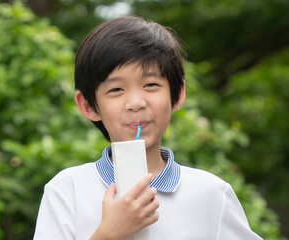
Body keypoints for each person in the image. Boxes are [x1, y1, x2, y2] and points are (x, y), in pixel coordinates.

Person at [33, 16, 263, 240]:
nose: (136, 103)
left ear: (177, 94)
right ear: (88, 105)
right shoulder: (67, 191)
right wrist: (108, 235)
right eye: (116, 89)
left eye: (151, 85)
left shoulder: (211, 194)